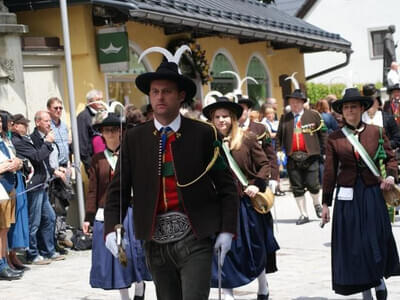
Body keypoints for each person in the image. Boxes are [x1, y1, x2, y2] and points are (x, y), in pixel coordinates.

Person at [104, 45, 239, 300]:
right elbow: (118, 190)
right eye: (155, 92)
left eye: (166, 92)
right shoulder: (134, 137)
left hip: (195, 236)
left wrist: (226, 230)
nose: (159, 97)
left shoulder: (203, 133)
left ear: (181, 96)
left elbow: (227, 187)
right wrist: (111, 228)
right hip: (154, 240)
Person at [321, 88, 400, 300]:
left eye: (353, 107)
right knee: (355, 243)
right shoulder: (334, 138)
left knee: (374, 238)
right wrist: (326, 203)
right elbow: (329, 171)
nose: (349, 111)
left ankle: (379, 280)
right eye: (346, 108)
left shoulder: (376, 132)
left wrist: (391, 177)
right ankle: (365, 288)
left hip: (372, 192)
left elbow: (391, 158)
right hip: (347, 196)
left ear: (362, 108)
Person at [203, 96, 279, 300]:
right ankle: (227, 293)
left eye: (225, 116)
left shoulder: (247, 139)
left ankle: (263, 285)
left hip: (246, 205)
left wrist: (256, 184)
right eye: (217, 117)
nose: (221, 120)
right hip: (220, 206)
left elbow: (265, 165)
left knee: (254, 247)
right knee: (223, 249)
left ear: (233, 118)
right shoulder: (207, 143)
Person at [82, 109, 150, 300]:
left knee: (135, 254)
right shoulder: (97, 160)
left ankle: (139, 290)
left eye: (114, 129)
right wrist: (89, 216)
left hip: (131, 211)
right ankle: (124, 297)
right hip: (108, 213)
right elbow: (93, 190)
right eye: (106, 130)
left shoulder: (131, 154)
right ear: (101, 134)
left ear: (121, 132)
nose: (111, 133)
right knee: (116, 256)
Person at [12, 111, 65, 264]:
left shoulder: (24, 138)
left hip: (42, 183)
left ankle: (48, 251)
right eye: (23, 124)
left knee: (49, 218)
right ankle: (32, 254)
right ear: (15, 126)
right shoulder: (21, 140)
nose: (26, 127)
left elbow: (42, 159)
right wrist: (47, 142)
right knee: (33, 222)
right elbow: (37, 156)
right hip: (33, 185)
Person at [276, 87, 327, 225]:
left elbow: (323, 134)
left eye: (297, 102)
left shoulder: (313, 115)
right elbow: (279, 136)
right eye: (292, 102)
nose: (294, 105)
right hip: (292, 157)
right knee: (297, 187)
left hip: (311, 156)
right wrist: (279, 150)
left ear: (303, 102)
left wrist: (325, 151)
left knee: (313, 184)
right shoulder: (285, 118)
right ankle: (303, 214)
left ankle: (316, 204)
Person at [0, 112, 24, 280]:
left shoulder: (4, 140)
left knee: (5, 228)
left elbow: (14, 159)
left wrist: (17, 163)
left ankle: (4, 261)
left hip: (9, 186)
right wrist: (5, 167)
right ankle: (1, 265)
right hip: (1, 186)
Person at [7, 114, 30, 272]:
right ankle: (7, 258)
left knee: (17, 220)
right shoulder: (11, 138)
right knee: (7, 224)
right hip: (7, 182)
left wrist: (20, 162)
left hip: (17, 179)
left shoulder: (9, 139)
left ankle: (13, 254)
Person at [362, 84, 400, 153]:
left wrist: (383, 146)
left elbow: (397, 139)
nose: (370, 104)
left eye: (373, 101)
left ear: (378, 102)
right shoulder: (359, 119)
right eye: (367, 101)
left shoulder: (388, 118)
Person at [77, 89, 104, 175]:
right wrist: (89, 165)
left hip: (105, 160)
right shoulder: (83, 117)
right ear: (89, 101)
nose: (101, 102)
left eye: (101, 99)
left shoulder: (102, 114)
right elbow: (81, 144)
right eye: (98, 100)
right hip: (93, 163)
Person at [47, 97, 70, 167]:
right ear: (49, 109)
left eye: (60, 108)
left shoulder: (64, 126)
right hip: (53, 167)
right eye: (56, 108)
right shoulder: (47, 126)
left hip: (66, 165)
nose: (59, 110)